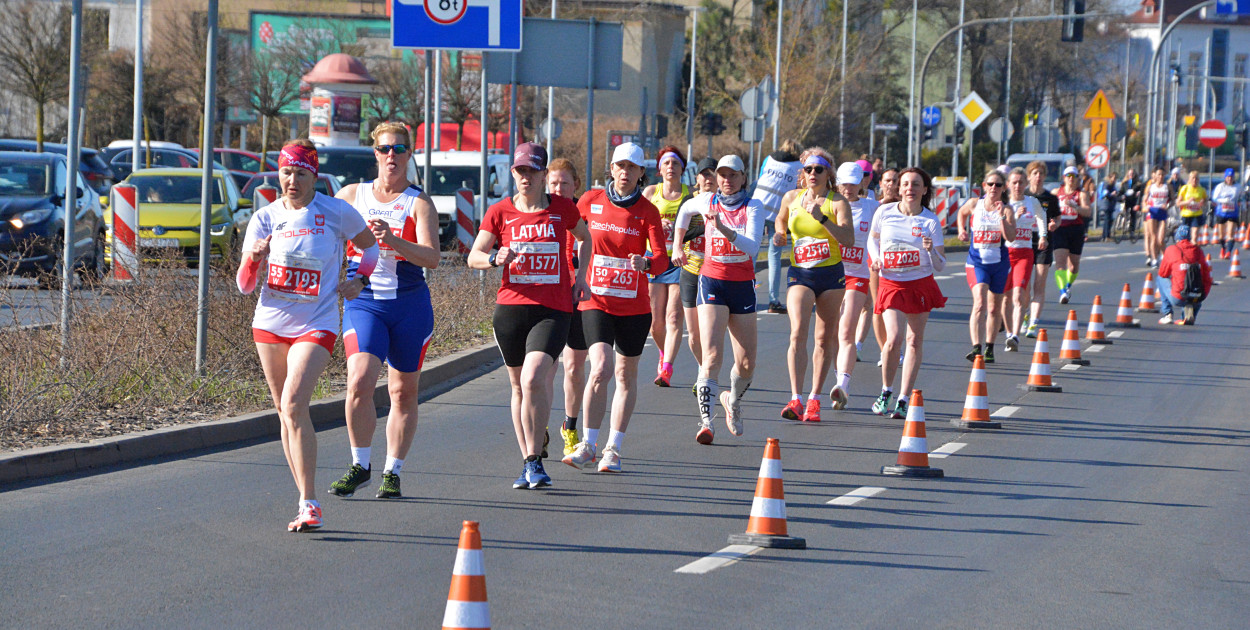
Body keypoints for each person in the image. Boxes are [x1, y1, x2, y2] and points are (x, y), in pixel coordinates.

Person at [236, 139, 377, 532]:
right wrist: (254, 258)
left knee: (295, 403)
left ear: (314, 175)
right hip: (270, 322)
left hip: (317, 322)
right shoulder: (264, 218)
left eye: (300, 173)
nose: (292, 180)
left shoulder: (335, 212)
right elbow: (245, 285)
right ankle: (304, 500)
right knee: (284, 411)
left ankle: (310, 499)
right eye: (286, 172)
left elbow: (370, 249)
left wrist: (359, 280)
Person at [468, 142, 591, 489]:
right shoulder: (500, 212)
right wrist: (494, 259)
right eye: (520, 171)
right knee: (518, 387)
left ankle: (535, 458)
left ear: (542, 174)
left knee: (534, 377)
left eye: (532, 172)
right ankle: (529, 461)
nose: (526, 177)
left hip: (553, 310)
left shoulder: (562, 209)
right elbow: (473, 255)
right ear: (514, 173)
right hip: (510, 309)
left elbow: (586, 239)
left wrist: (580, 279)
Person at [327, 123, 440, 501]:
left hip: (409, 305)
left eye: (400, 149)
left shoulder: (418, 202)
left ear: (409, 155)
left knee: (403, 392)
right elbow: (324, 237)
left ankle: (393, 472)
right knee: (359, 380)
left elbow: (432, 257)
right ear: (374, 153)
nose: (392, 155)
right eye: (385, 148)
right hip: (366, 302)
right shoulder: (350, 195)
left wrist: (391, 239)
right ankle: (360, 465)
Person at [561, 143, 667, 473]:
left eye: (632, 168)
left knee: (625, 374)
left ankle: (613, 448)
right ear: (611, 167)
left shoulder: (648, 211)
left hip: (634, 307)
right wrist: (574, 276)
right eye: (620, 166)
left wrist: (646, 263)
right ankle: (588, 444)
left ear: (640, 174)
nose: (625, 172)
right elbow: (570, 241)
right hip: (596, 300)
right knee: (601, 367)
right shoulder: (590, 201)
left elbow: (661, 258)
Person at [673, 154, 767, 444]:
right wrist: (677, 245)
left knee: (747, 363)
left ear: (743, 178)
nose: (726, 180)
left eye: (732, 175)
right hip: (712, 279)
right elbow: (685, 211)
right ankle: (706, 423)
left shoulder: (754, 205)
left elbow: (751, 247)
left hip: (742, 285)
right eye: (722, 174)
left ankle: (732, 399)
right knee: (712, 354)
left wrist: (724, 229)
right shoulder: (706, 200)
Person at [772, 149, 853, 423]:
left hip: (830, 275)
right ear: (802, 174)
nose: (813, 174)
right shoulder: (791, 198)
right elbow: (781, 219)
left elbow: (848, 239)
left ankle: (814, 399)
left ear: (828, 174)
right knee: (797, 332)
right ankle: (795, 397)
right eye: (808, 169)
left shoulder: (837, 202)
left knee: (823, 338)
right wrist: (780, 234)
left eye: (819, 169)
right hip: (801, 274)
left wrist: (822, 218)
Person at [867, 167, 946, 418]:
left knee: (914, 340)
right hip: (891, 283)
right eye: (905, 184)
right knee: (894, 338)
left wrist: (931, 250)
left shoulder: (930, 221)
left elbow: (941, 265)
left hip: (919, 283)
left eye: (915, 184)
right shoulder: (884, 212)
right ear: (898, 189)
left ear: (924, 190)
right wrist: (877, 258)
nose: (909, 188)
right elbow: (872, 239)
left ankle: (903, 397)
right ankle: (885, 390)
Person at [829, 161, 880, 412]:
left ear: (863, 183)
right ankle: (840, 378)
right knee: (832, 334)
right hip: (830, 275)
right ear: (837, 183)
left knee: (846, 331)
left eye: (853, 183)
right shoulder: (829, 205)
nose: (848, 189)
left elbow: (882, 234)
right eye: (844, 183)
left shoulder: (872, 207)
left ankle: (843, 385)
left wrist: (880, 256)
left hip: (857, 275)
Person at [641, 146, 692, 387]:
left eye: (675, 163)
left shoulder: (689, 196)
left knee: (673, 317)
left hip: (680, 261)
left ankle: (667, 368)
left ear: (682, 169)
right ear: (660, 169)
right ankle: (664, 353)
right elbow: (637, 222)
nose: (671, 167)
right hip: (655, 259)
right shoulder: (651, 192)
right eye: (666, 163)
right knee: (655, 323)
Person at [956, 168, 1016, 363]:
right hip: (976, 262)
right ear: (984, 186)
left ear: (1003, 188)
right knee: (980, 302)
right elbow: (961, 213)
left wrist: (1000, 217)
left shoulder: (1007, 210)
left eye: (998, 185)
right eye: (990, 184)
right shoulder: (975, 204)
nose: (993, 188)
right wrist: (961, 230)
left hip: (999, 263)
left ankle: (989, 347)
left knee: (993, 308)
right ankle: (976, 347)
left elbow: (1011, 237)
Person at [547, 157, 586, 456]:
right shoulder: (539, 209)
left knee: (573, 366)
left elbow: (592, 242)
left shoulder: (581, 212)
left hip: (575, 295)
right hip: (547, 298)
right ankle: (540, 428)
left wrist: (582, 279)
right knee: (546, 367)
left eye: (565, 183)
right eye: (554, 183)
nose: (559, 189)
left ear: (576, 186)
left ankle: (570, 428)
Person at [675, 157, 718, 391]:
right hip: (691, 271)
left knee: (709, 332)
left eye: (713, 174)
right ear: (697, 179)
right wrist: (706, 225)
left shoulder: (725, 203)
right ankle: (703, 368)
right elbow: (682, 234)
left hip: (716, 275)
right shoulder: (688, 202)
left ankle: (706, 376)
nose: (708, 178)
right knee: (693, 335)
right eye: (704, 174)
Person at [752, 140, 802, 314]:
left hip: (757, 208)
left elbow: (760, 177)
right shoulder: (799, 166)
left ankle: (746, 294)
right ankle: (774, 301)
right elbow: (797, 190)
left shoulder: (769, 159)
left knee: (752, 252)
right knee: (774, 257)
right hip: (778, 214)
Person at [1002, 167, 1047, 352]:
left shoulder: (1032, 201)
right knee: (1005, 298)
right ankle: (1008, 332)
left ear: (1026, 184)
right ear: (1008, 185)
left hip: (1024, 253)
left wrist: (1043, 235)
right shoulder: (1003, 205)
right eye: (1014, 182)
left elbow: (1041, 216)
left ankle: (1015, 336)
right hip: (1005, 254)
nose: (1018, 186)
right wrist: (1014, 217)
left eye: (1021, 182)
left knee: (1019, 294)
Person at [1022, 161, 1061, 338]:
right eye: (1035, 173)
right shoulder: (1022, 196)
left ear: (1045, 177)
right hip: (1023, 243)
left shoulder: (1050, 198)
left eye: (1041, 174)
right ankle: (1023, 315)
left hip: (1044, 244)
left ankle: (1033, 324)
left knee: (1039, 284)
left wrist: (1054, 224)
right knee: (1024, 286)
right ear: (1029, 176)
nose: (1038, 177)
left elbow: (1057, 219)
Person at [1051, 166, 1092, 304]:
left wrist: (1076, 207)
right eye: (1068, 175)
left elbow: (1088, 212)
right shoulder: (1056, 192)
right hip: (1060, 229)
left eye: (1073, 176)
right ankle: (1063, 291)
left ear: (1077, 179)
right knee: (1060, 262)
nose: (1070, 178)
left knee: (1073, 266)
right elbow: (1047, 207)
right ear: (1064, 178)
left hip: (1076, 229)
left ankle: (1067, 286)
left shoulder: (1081, 194)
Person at [1156, 225, 1212, 325]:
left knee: (1160, 278)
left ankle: (1167, 314)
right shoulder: (1198, 251)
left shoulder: (1172, 249)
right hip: (1196, 297)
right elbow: (1207, 278)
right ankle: (1188, 315)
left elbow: (1163, 273)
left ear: (1176, 238)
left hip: (1179, 297)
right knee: (1192, 292)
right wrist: (1202, 296)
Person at [1141, 167, 1173, 267]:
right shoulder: (1151, 187)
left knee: (1161, 238)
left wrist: (1167, 205)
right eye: (1159, 174)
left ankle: (1164, 256)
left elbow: (1173, 200)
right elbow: (1144, 199)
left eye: (1162, 174)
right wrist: (1144, 207)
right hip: (1152, 211)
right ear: (1156, 175)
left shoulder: (1167, 186)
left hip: (1162, 212)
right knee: (1153, 237)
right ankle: (1154, 259)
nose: (1160, 176)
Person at [1212, 168, 1242, 259]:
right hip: (1221, 212)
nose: (1229, 179)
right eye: (1228, 177)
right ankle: (1223, 248)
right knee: (1221, 235)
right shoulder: (1220, 187)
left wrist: (1242, 203)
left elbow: (1241, 197)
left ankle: (1228, 252)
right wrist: (1223, 201)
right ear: (1225, 177)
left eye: (1231, 177)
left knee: (1230, 234)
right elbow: (1214, 198)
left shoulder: (1238, 187)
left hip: (1233, 213)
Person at [1118, 168, 1143, 243]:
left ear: (1135, 175)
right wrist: (1120, 196)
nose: (1131, 175)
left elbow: (1141, 192)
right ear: (1128, 175)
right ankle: (1121, 225)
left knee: (1133, 214)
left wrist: (1139, 193)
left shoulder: (1138, 184)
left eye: (1132, 174)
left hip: (1133, 201)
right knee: (1123, 212)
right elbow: (1121, 192)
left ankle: (1131, 230)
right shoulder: (1125, 183)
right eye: (1130, 174)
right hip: (1126, 201)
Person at [1097, 172, 1120, 240]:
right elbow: (1105, 193)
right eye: (1114, 178)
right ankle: (1107, 236)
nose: (1115, 179)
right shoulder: (1107, 183)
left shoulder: (1111, 184)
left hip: (1109, 204)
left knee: (1108, 220)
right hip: (1106, 204)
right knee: (1108, 220)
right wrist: (1112, 194)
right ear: (1110, 177)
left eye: (1116, 178)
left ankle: (1104, 236)